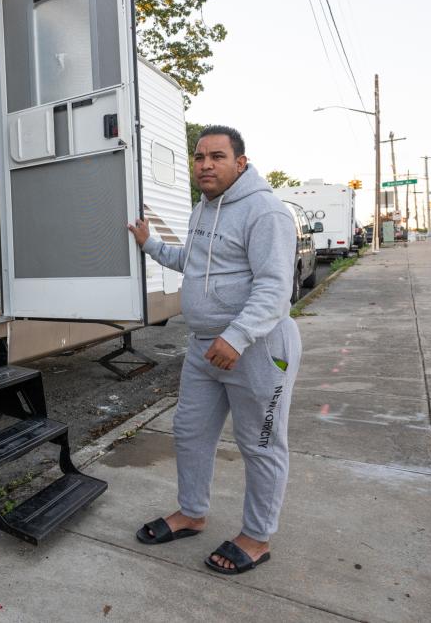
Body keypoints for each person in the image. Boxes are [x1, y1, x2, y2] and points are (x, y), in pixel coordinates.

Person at [128, 125, 301, 575]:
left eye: (217, 156)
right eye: (199, 156)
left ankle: (258, 537)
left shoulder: (266, 212)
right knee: (189, 433)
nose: (205, 164)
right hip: (204, 349)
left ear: (240, 163)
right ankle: (192, 512)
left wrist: (237, 337)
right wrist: (151, 246)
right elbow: (195, 262)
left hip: (259, 348)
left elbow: (275, 288)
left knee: (260, 444)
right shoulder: (201, 210)